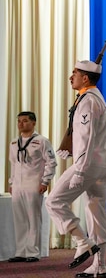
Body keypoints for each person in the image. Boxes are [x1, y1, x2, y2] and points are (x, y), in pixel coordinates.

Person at [46, 60, 106, 278]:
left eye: (74, 72)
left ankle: (82, 242)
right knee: (96, 213)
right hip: (103, 164)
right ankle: (100, 264)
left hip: (89, 166)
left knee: (53, 201)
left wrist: (80, 170)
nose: (70, 76)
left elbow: (86, 138)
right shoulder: (95, 98)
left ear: (85, 78)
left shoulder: (88, 101)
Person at [8, 111, 57, 263]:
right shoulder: (14, 143)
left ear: (33, 123)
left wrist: (45, 181)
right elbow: (13, 164)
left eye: (25, 121)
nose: (21, 124)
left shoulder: (41, 141)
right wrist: (11, 182)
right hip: (18, 185)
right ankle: (21, 251)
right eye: (19, 121)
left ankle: (33, 252)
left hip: (33, 184)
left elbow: (51, 162)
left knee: (33, 218)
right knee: (19, 219)